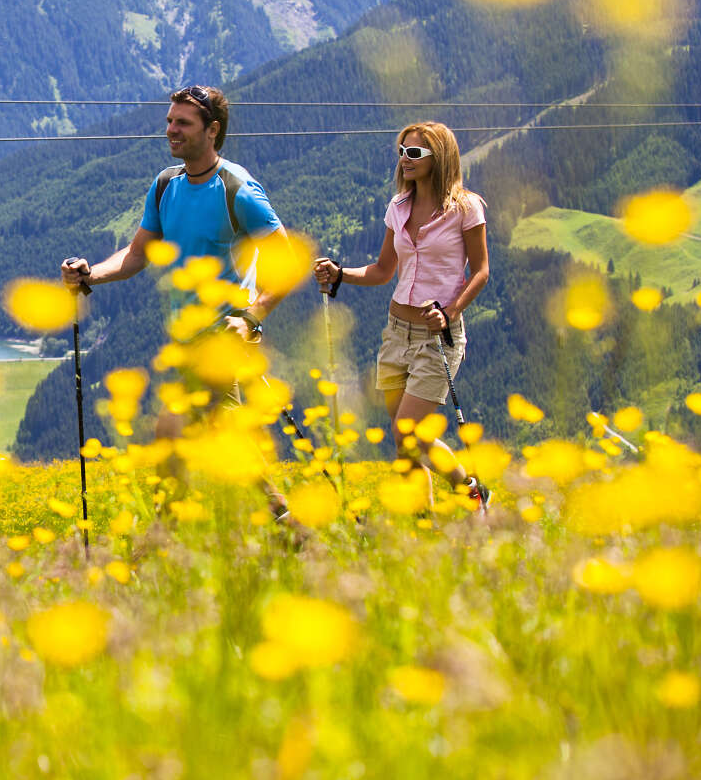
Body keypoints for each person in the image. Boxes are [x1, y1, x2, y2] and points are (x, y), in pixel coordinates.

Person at [61, 84, 285, 436]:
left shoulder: (238, 190)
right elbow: (137, 254)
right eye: (169, 121)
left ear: (212, 130)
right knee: (222, 455)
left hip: (220, 343)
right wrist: (90, 274)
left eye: (183, 123)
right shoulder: (166, 184)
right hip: (186, 341)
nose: (171, 130)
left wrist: (250, 319)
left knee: (175, 445)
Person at [311, 120, 491, 507]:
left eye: (414, 153)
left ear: (438, 158)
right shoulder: (399, 207)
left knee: (409, 437)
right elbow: (382, 271)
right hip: (395, 332)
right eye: (402, 152)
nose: (404, 160)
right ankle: (438, 511)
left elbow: (481, 271)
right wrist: (341, 273)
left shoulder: (466, 209)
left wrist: (451, 311)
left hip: (436, 336)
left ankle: (461, 498)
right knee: (405, 439)